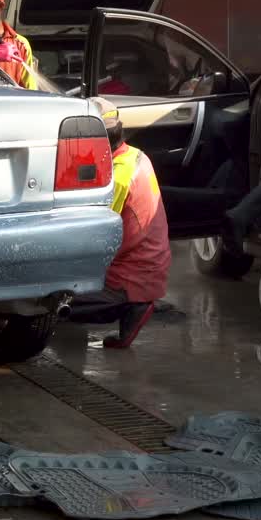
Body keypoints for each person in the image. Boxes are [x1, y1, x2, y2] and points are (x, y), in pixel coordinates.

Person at [68, 98, 171, 348]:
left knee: (51, 303)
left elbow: (96, 239)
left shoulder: (118, 179)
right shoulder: (136, 156)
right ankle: (133, 304)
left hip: (129, 277)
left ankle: (130, 305)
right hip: (149, 268)